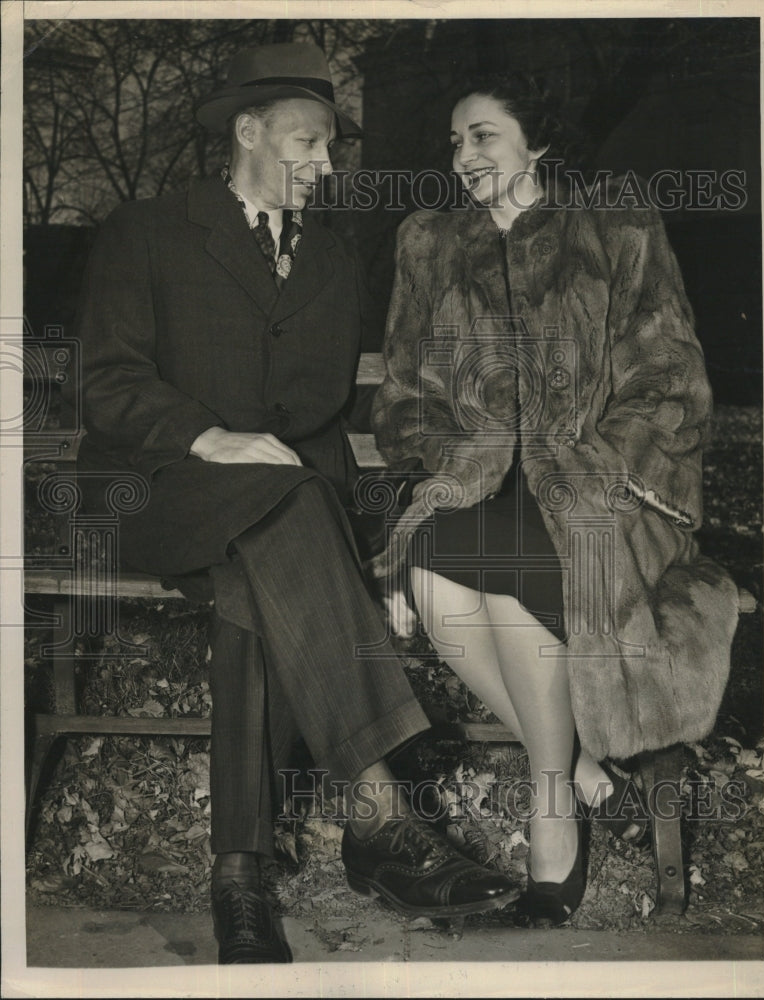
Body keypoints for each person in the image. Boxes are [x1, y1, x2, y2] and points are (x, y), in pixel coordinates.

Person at [66, 44, 520, 965]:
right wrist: (212, 437)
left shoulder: (336, 260)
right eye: (306, 143)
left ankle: (240, 881)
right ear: (247, 131)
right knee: (283, 518)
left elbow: (312, 411)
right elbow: (106, 383)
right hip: (157, 489)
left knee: (259, 585)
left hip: (276, 514)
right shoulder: (148, 231)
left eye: (327, 147)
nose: (323, 164)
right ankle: (379, 820)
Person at [370, 73, 741, 926]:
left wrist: (592, 464)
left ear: (536, 144)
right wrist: (459, 453)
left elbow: (670, 377)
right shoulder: (428, 241)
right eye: (455, 141)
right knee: (433, 570)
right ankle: (574, 769)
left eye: (483, 137)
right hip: (480, 475)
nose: (462, 157)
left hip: (608, 487)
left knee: (507, 563)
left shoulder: (615, 224)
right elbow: (403, 394)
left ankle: (552, 810)